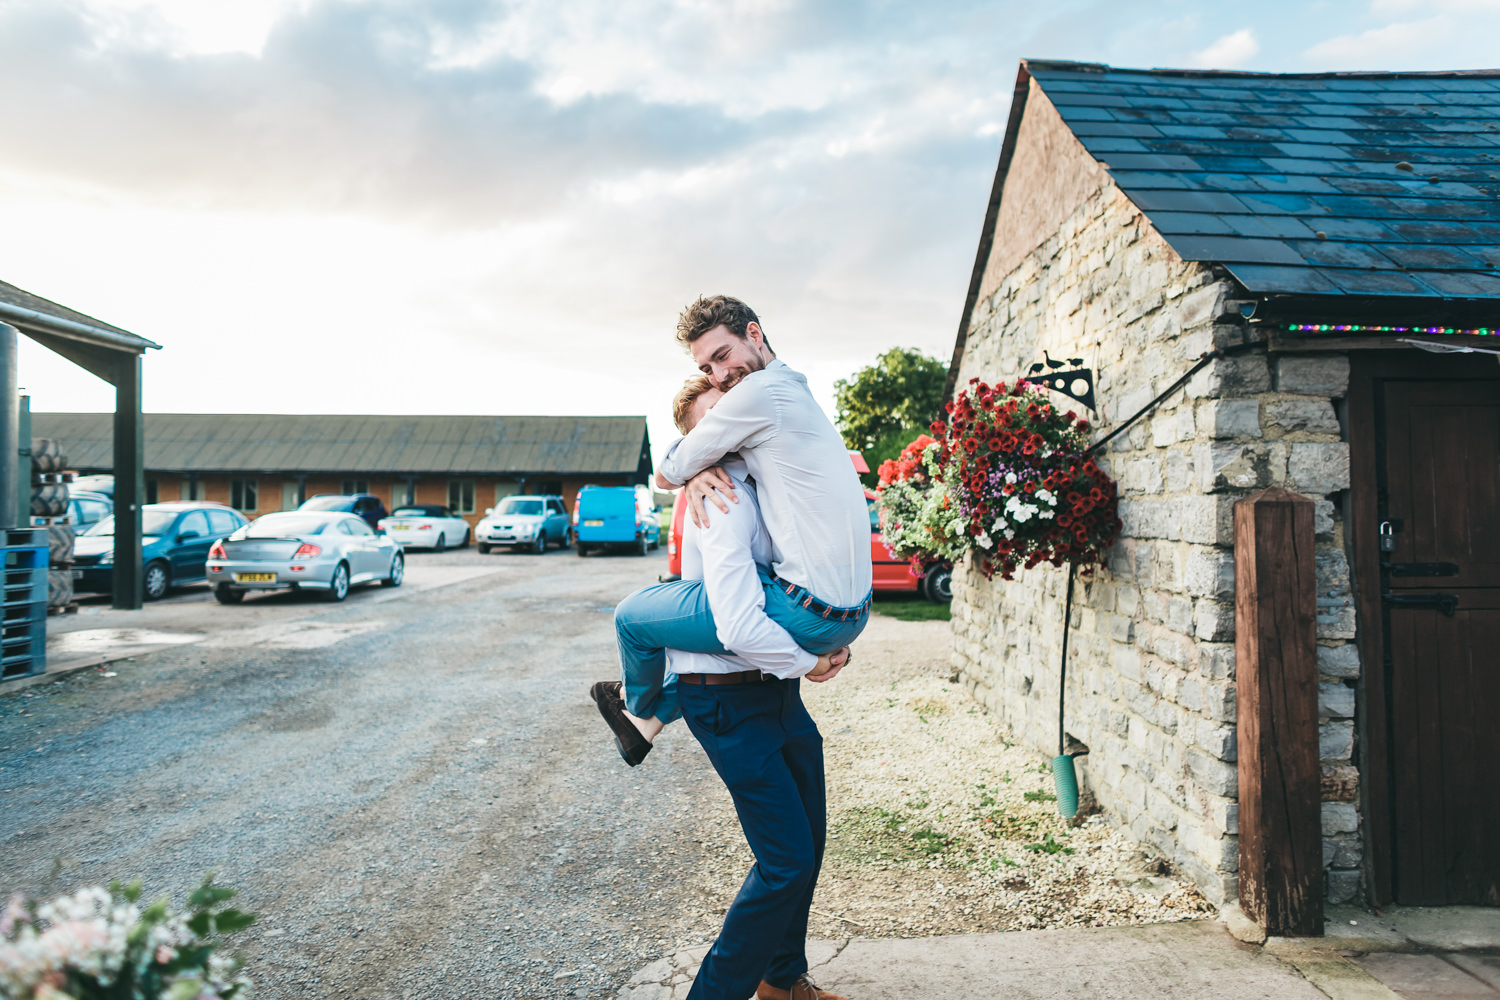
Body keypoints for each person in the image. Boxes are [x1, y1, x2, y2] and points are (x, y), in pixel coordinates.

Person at [596, 377, 852, 1000]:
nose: (730, 422)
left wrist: (824, 637)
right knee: (785, 859)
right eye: (713, 418)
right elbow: (737, 624)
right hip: (728, 698)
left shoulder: (768, 484)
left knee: (808, 845)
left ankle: (781, 980)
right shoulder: (720, 498)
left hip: (772, 693)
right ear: (698, 440)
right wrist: (806, 661)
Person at [592, 295, 873, 763]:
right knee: (728, 606)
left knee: (635, 617)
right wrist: (697, 465)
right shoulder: (798, 392)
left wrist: (691, 466)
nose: (720, 375)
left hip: (813, 613)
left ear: (755, 334)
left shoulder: (757, 393)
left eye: (722, 356)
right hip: (853, 613)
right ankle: (652, 718)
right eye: (707, 368)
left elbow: (666, 472)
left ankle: (636, 709)